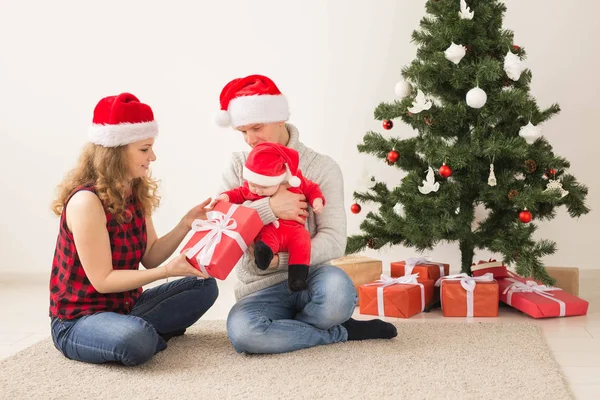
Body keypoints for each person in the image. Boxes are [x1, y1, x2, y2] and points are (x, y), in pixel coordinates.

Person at [217, 74, 398, 354]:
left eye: (256, 127)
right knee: (244, 334)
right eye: (242, 131)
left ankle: (291, 331)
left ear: (279, 118)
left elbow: (335, 240)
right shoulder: (237, 166)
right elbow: (224, 228)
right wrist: (271, 208)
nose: (250, 139)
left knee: (338, 294)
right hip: (259, 289)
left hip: (312, 278)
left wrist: (282, 260)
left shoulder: (322, 167)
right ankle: (338, 332)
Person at [49, 92, 218, 366]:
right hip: (79, 319)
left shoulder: (134, 190)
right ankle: (140, 334)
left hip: (126, 308)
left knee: (205, 286)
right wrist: (166, 272)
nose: (153, 156)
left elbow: (150, 256)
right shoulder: (85, 202)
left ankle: (139, 332)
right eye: (144, 148)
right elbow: (103, 280)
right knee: (135, 340)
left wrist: (186, 224)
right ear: (114, 152)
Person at [215, 142, 325, 292]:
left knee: (302, 242)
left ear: (279, 178)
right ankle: (263, 255)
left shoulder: (295, 181)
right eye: (253, 185)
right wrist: (226, 197)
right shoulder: (252, 187)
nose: (257, 191)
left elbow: (312, 188)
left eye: (264, 187)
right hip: (271, 229)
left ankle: (297, 278)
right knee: (265, 239)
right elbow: (238, 193)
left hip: (295, 231)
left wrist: (317, 200)